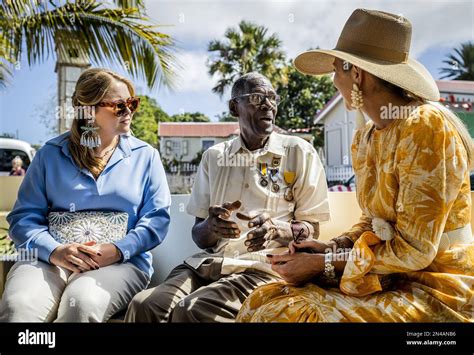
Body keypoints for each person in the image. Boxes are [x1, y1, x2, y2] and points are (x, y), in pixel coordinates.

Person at [237, 8, 474, 322]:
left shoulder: (426, 127)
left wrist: (325, 263)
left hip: (436, 286)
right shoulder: (365, 138)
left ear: (356, 73)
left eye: (337, 70)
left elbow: (416, 250)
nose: (335, 81)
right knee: (264, 298)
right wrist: (327, 247)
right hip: (386, 277)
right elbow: (373, 221)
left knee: (290, 316)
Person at [125, 72, 330, 322]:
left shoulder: (298, 152)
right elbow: (199, 236)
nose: (268, 104)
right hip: (209, 264)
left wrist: (277, 229)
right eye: (257, 97)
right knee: (144, 305)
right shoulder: (214, 156)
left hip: (265, 267)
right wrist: (211, 226)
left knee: (192, 310)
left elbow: (312, 230)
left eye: (272, 98)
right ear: (234, 106)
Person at [0, 68, 171, 322]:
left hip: (121, 263)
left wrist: (117, 250)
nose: (129, 112)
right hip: (50, 260)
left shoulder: (146, 156)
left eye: (132, 103)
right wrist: (55, 251)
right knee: (19, 306)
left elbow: (157, 220)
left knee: (82, 303)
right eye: (118, 106)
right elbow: (23, 219)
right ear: (88, 110)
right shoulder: (49, 154)